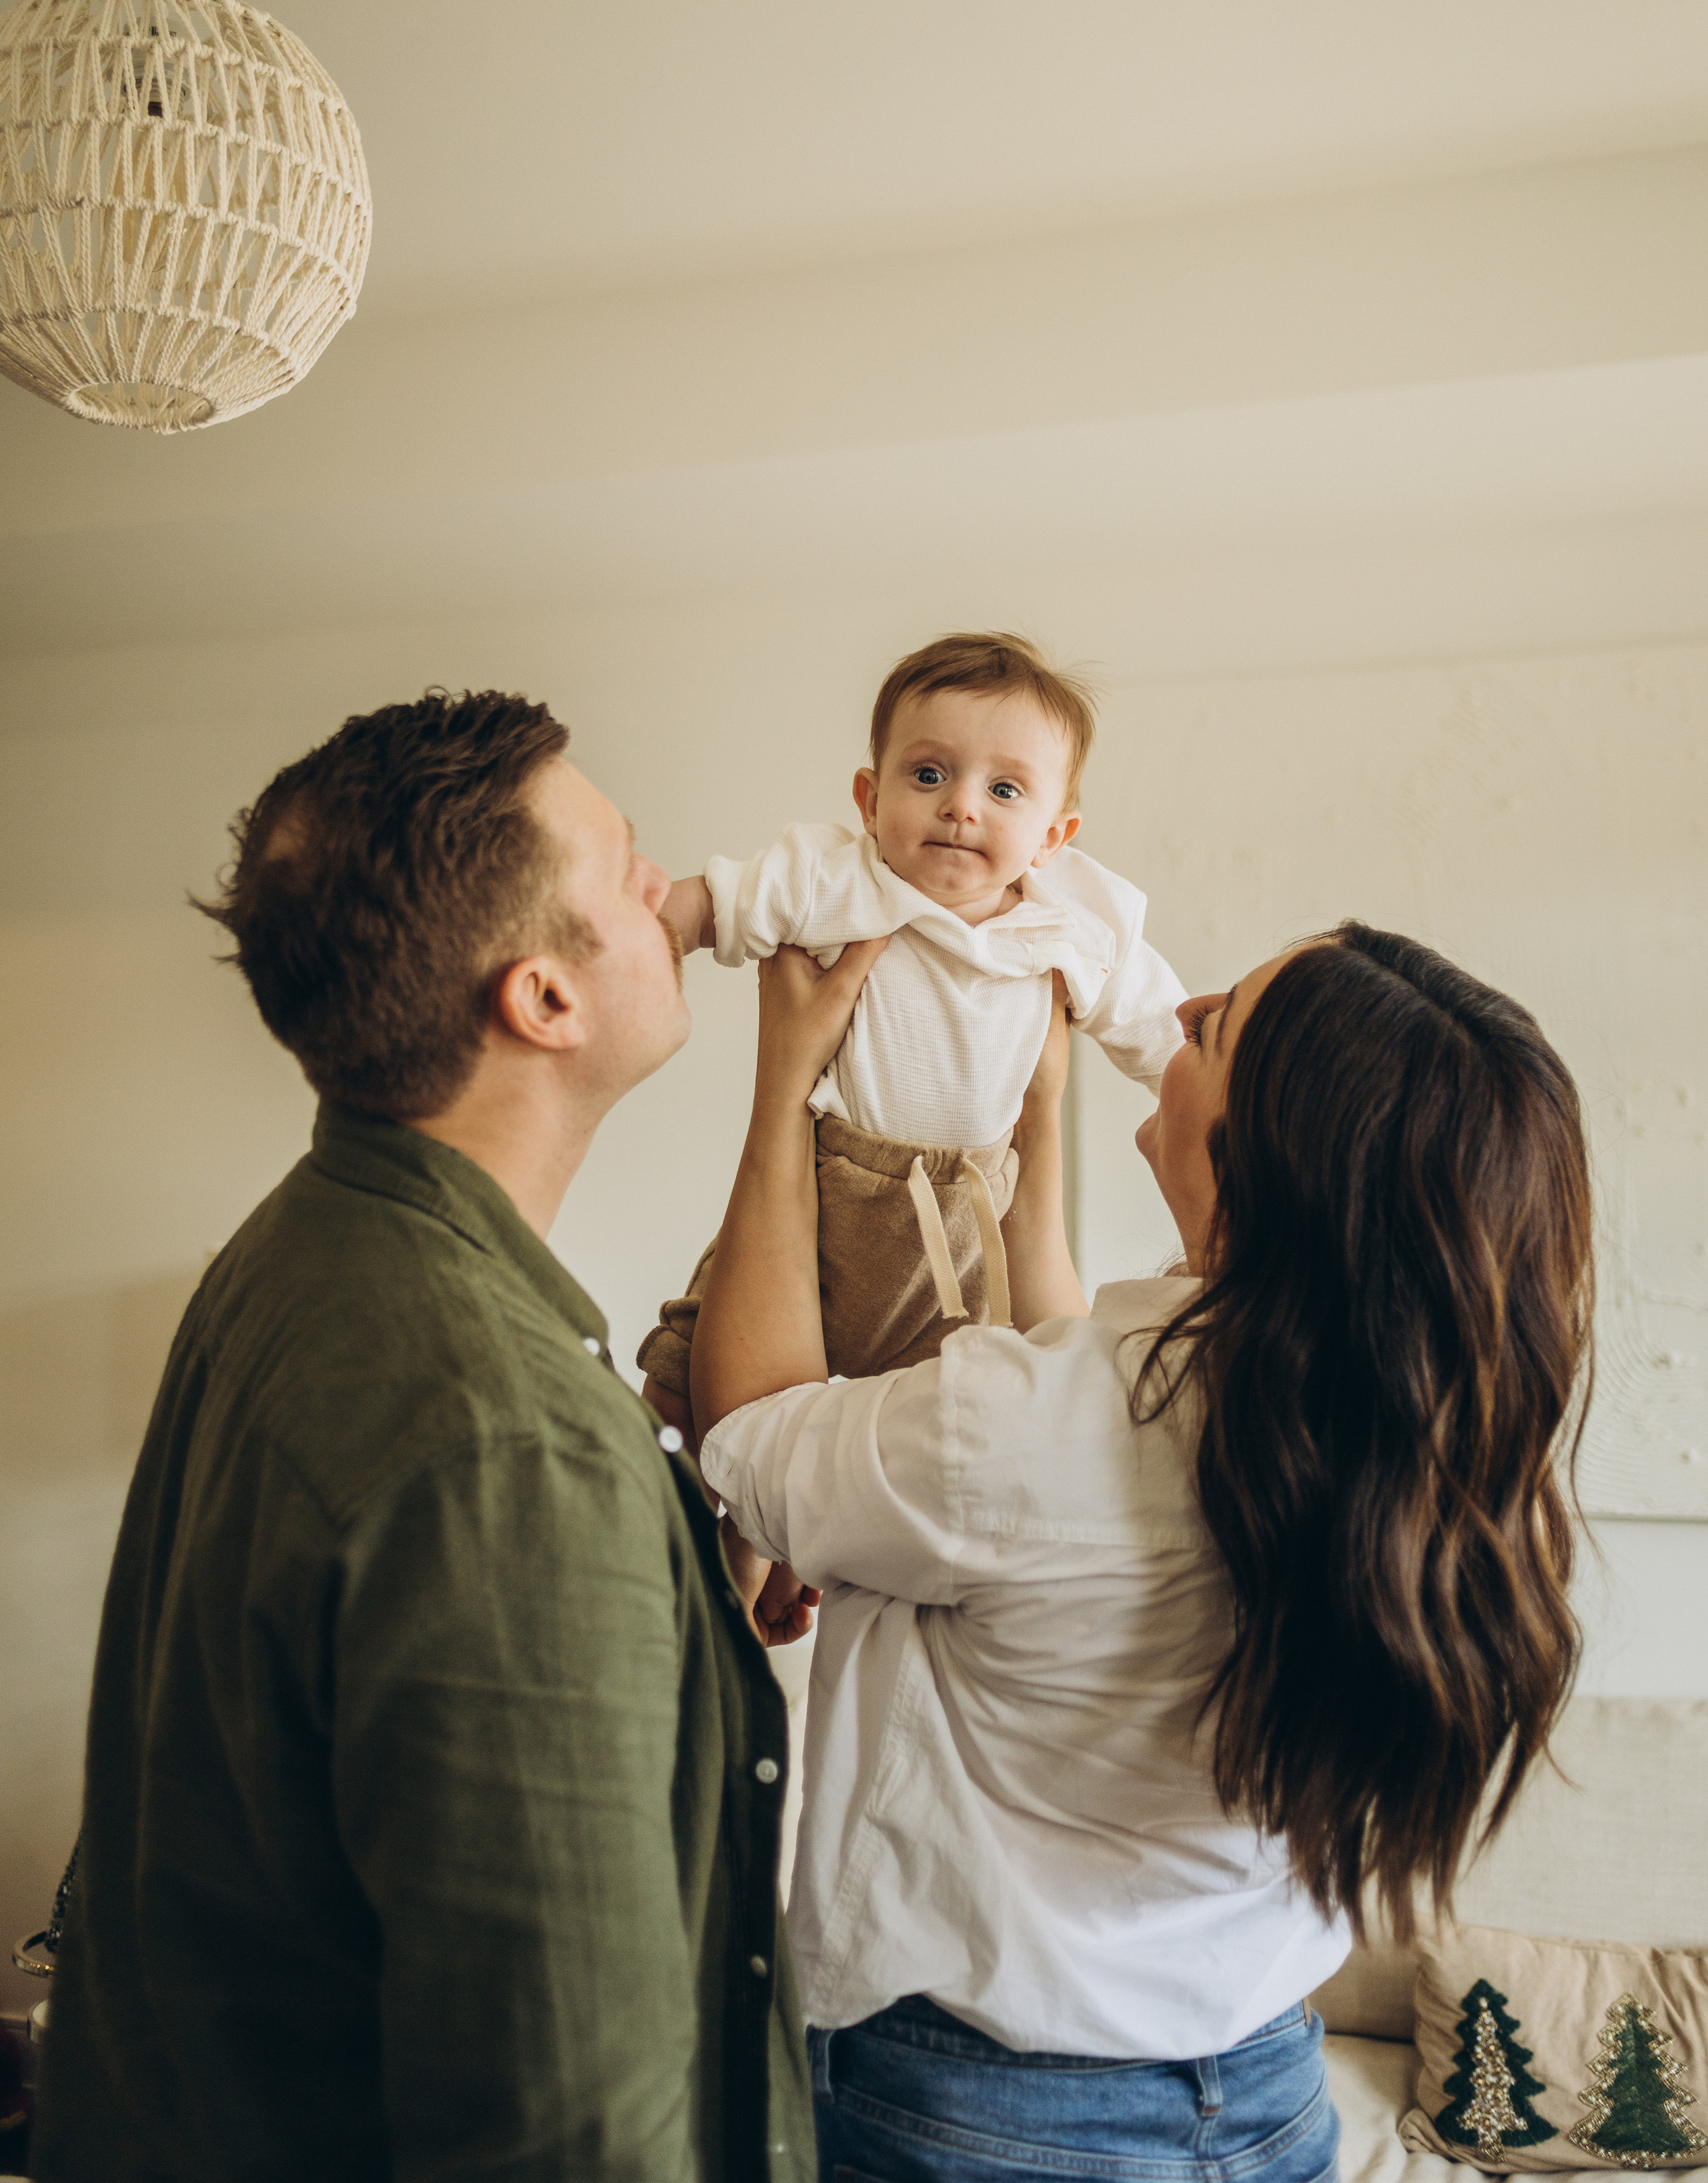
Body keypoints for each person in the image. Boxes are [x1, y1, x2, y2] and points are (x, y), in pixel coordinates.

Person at [32, 689, 815, 2183]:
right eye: (627, 865)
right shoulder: (507, 1442)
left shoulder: (299, 1246)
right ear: (543, 1000)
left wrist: (658, 1577)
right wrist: (587, 1528)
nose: (665, 893)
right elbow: (568, 2129)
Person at [689, 920, 1591, 2183]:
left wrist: (788, 1082)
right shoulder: (1403, 1439)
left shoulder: (1035, 1432)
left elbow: (748, 1430)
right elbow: (1083, 1392)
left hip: (978, 2117)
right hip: (1265, 2097)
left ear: (1258, 1158)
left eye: (1218, 1027)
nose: (1186, 1006)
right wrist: (1037, 1112)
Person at [639, 631, 1183, 1408]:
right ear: (869, 800)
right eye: (928, 774)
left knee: (954, 1414)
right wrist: (611, 945)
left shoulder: (1072, 920)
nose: (960, 805)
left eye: (1005, 791)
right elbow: (702, 907)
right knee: (689, 1382)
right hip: (820, 1201)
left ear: (1055, 838)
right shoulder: (836, 878)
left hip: (962, 1233)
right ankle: (711, 1521)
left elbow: (1163, 1033)